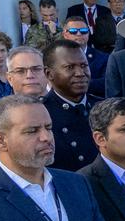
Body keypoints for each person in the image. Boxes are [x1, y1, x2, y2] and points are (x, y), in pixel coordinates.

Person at [42, 39, 98, 172]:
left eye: (84, 65)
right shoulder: (41, 113)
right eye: (69, 67)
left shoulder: (102, 107)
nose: (80, 73)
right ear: (49, 74)